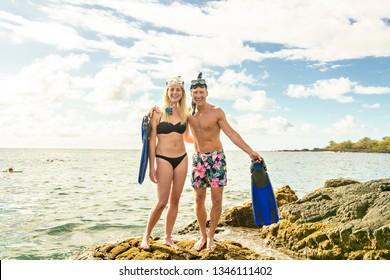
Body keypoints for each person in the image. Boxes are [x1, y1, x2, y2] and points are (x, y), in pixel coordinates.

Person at [188, 72, 263, 251]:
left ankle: (212, 236)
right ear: (191, 94)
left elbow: (232, 134)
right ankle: (202, 235)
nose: (198, 95)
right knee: (198, 200)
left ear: (207, 93)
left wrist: (250, 151)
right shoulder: (187, 114)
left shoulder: (216, 111)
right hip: (198, 159)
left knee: (217, 198)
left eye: (201, 91)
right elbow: (168, 115)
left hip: (216, 159)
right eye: (195, 92)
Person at [140, 76, 192, 250]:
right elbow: (152, 140)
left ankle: (167, 237)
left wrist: (207, 142)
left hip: (182, 158)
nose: (175, 92)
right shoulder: (157, 112)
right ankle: (146, 236)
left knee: (175, 200)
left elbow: (188, 137)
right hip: (163, 159)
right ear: (167, 91)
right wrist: (151, 167)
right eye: (172, 89)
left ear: (182, 93)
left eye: (178, 90)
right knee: (162, 201)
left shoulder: (186, 112)